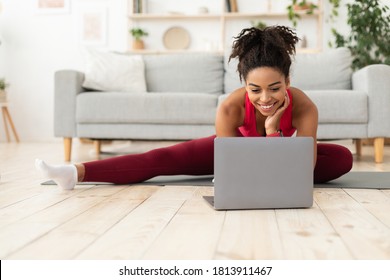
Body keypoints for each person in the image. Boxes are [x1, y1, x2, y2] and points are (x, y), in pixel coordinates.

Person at [36, 25, 353, 190]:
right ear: (243, 84)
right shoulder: (230, 108)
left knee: (341, 157)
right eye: (254, 90)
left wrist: (273, 133)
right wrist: (266, 160)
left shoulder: (304, 107)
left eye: (275, 88)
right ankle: (73, 173)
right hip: (235, 155)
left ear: (288, 80)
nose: (266, 99)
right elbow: (237, 169)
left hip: (271, 156)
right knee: (161, 158)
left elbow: (302, 169)